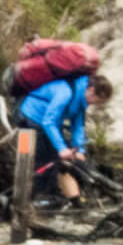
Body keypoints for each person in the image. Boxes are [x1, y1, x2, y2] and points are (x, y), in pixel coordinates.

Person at [20, 71, 107, 203]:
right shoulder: (65, 92)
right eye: (96, 101)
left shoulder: (81, 101)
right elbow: (48, 121)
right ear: (91, 90)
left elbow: (78, 127)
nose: (94, 105)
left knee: (59, 161)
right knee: (39, 158)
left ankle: (69, 197)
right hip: (29, 117)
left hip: (49, 123)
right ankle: (34, 198)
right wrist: (61, 148)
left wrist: (80, 151)